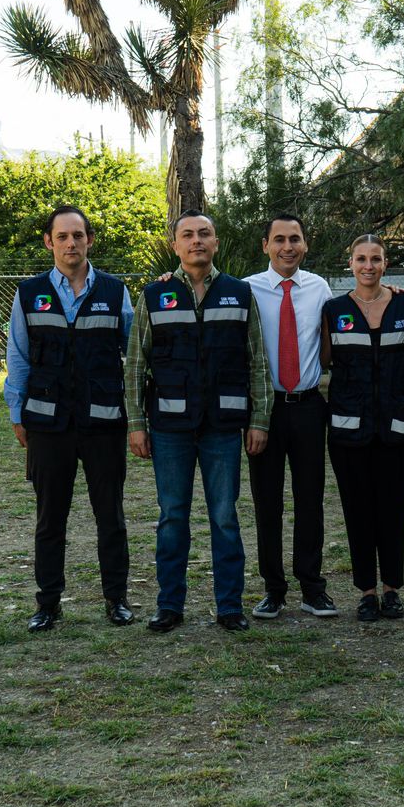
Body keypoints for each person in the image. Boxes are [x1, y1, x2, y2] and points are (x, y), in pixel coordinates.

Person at [124, 211, 271, 633]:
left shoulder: (238, 293)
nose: (196, 241)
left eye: (204, 233)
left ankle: (229, 607)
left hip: (223, 427)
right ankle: (169, 605)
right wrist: (137, 423)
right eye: (187, 235)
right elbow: (136, 364)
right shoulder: (155, 295)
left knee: (224, 515)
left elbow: (257, 361)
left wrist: (259, 419)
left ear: (216, 242)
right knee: (172, 516)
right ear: (175, 245)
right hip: (169, 427)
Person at [7, 205, 136, 632]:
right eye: (62, 236)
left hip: (103, 424)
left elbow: (133, 358)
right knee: (50, 519)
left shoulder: (116, 292)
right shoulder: (29, 293)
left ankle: (116, 599)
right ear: (49, 242)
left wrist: (135, 416)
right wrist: (17, 413)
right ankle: (47, 604)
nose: (70, 244)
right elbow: (19, 358)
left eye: (78, 236)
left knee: (111, 516)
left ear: (89, 240)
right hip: (47, 426)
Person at [321, 234, 404, 622]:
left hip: (397, 430)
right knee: (357, 511)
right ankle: (366, 590)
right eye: (361, 259)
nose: (368, 266)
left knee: (392, 510)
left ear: (386, 263)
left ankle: (392, 589)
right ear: (350, 263)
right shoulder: (333, 309)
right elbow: (323, 360)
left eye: (376, 259)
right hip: (348, 432)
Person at [245, 214, 337, 620]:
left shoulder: (319, 288)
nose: (287, 247)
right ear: (265, 245)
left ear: (305, 244)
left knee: (310, 498)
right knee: (267, 502)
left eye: (295, 239)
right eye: (279, 239)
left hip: (309, 406)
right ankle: (273, 588)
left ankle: (312, 587)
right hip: (264, 411)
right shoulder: (246, 289)